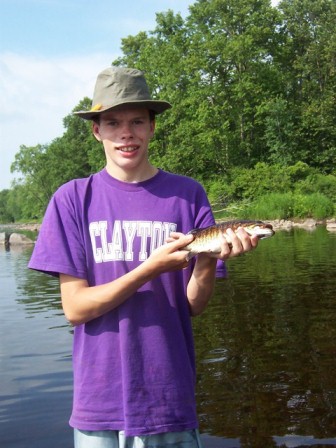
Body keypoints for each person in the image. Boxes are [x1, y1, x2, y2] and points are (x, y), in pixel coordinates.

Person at [28, 67, 258, 448]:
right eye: (113, 122)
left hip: (170, 399)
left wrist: (205, 259)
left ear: (152, 127)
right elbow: (75, 309)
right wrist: (149, 269)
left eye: (137, 121)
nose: (126, 133)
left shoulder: (188, 194)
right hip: (98, 405)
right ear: (96, 130)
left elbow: (193, 306)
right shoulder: (72, 199)